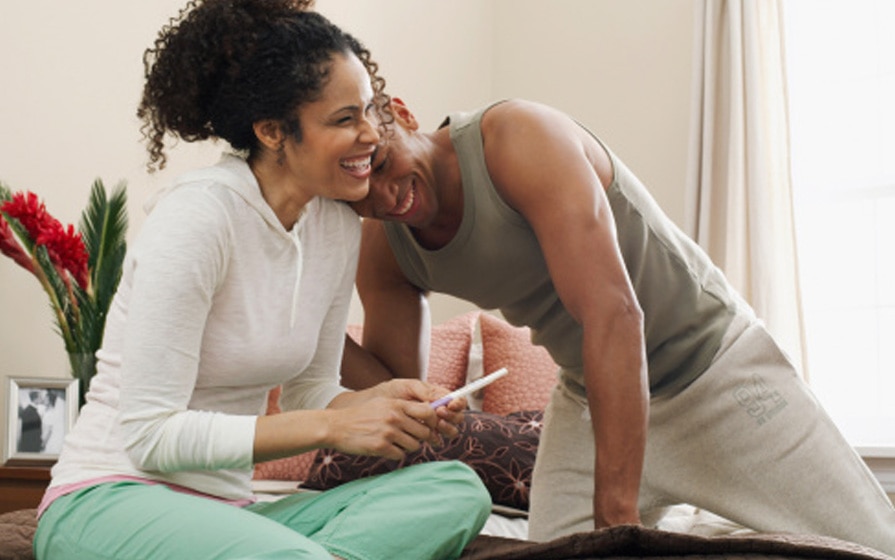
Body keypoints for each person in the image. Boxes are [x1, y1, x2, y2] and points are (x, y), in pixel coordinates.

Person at [33, 3, 490, 559]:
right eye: (345, 119)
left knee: (454, 490)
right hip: (111, 496)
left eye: (368, 110)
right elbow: (150, 435)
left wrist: (388, 403)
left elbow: (313, 391)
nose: (372, 133)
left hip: (229, 513)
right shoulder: (198, 218)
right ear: (274, 131)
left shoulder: (335, 224)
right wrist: (328, 427)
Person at [342, 97, 895, 555]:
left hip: (713, 372)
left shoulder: (516, 139)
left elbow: (616, 315)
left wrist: (616, 523)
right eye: (362, 196)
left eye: (384, 164)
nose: (388, 199)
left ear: (400, 113)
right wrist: (315, 336)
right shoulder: (386, 247)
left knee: (876, 551)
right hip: (591, 397)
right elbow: (397, 385)